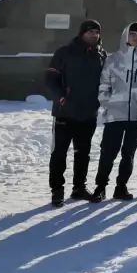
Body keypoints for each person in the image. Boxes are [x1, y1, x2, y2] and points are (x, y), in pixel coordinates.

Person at [91, 22, 137, 202]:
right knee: (108, 152)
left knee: (128, 153)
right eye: (132, 34)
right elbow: (104, 85)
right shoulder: (113, 59)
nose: (136, 37)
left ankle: (121, 186)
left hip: (136, 115)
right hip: (115, 114)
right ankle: (100, 186)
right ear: (126, 36)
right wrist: (108, 104)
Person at [46, 20, 106, 207]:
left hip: (88, 112)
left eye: (96, 31)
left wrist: (100, 101)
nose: (94, 35)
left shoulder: (101, 55)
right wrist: (62, 98)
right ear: (81, 33)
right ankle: (57, 190)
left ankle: (79, 187)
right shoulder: (65, 52)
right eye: (90, 31)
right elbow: (51, 79)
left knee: (83, 153)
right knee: (59, 153)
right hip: (65, 112)